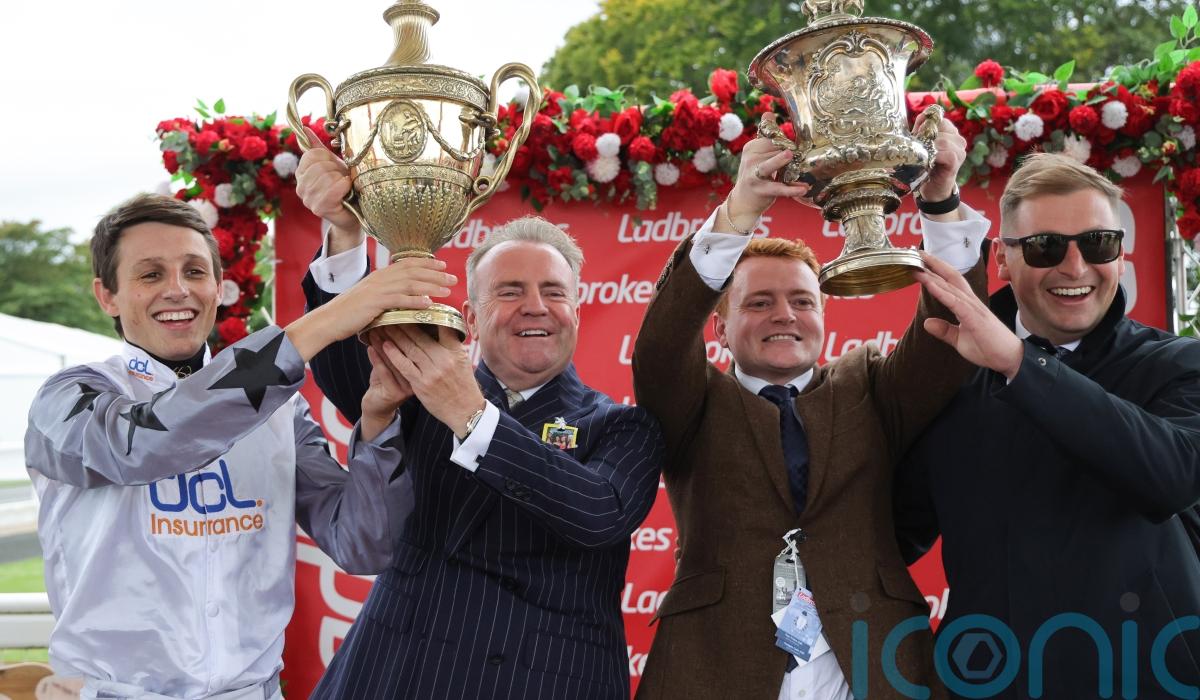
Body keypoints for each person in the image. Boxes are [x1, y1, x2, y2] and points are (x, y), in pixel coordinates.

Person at [294, 129, 665, 699]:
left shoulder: (621, 426)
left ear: (576, 311)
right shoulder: (421, 390)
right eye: (510, 291)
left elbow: (597, 514)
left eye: (554, 292)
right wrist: (345, 234)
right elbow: (348, 373)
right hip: (397, 675)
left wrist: (472, 416)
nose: (535, 307)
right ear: (469, 314)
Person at [631, 114, 991, 699]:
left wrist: (941, 200)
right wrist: (740, 212)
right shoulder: (693, 400)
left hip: (872, 667)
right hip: (717, 669)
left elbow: (947, 334)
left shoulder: (869, 386)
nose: (784, 315)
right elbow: (661, 345)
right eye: (760, 302)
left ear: (824, 316)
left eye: (802, 300)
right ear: (720, 327)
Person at [24, 193, 432, 700]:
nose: (178, 289)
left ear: (219, 288)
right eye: (151, 274)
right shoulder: (66, 398)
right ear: (107, 296)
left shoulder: (281, 409)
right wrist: (330, 319)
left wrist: (378, 419)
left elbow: (363, 544)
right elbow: (143, 444)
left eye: (194, 272)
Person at [894, 153, 1200, 697]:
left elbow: (1171, 476)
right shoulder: (951, 380)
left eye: (1098, 243)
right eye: (1045, 247)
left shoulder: (1177, 363)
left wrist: (1019, 364)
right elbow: (893, 531)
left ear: (1121, 254)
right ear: (1002, 259)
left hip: (1150, 679)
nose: (1075, 268)